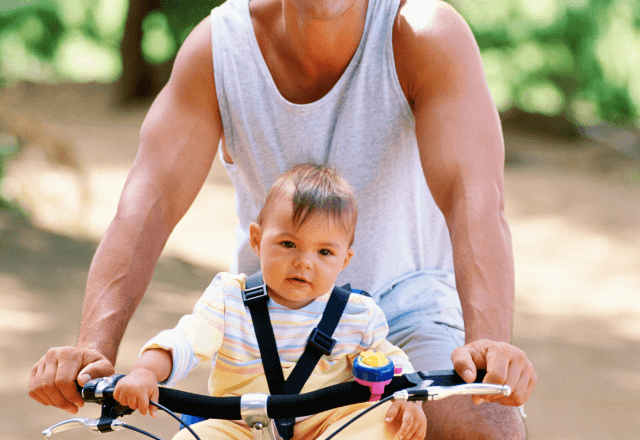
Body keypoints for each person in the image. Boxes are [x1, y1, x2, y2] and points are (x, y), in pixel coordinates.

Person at [29, 0, 537, 438]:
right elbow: (148, 203)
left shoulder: (421, 32)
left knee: (483, 424)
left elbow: (474, 197)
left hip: (405, 310)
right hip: (270, 316)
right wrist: (93, 349)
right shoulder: (220, 50)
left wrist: (488, 342)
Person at [113, 164, 427, 440]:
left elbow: (389, 361)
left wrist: (407, 397)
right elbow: (184, 342)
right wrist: (145, 372)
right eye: (288, 243)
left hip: (328, 423)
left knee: (388, 424)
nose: (304, 262)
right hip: (241, 424)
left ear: (344, 260)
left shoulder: (358, 314)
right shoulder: (228, 299)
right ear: (257, 240)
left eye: (324, 252)